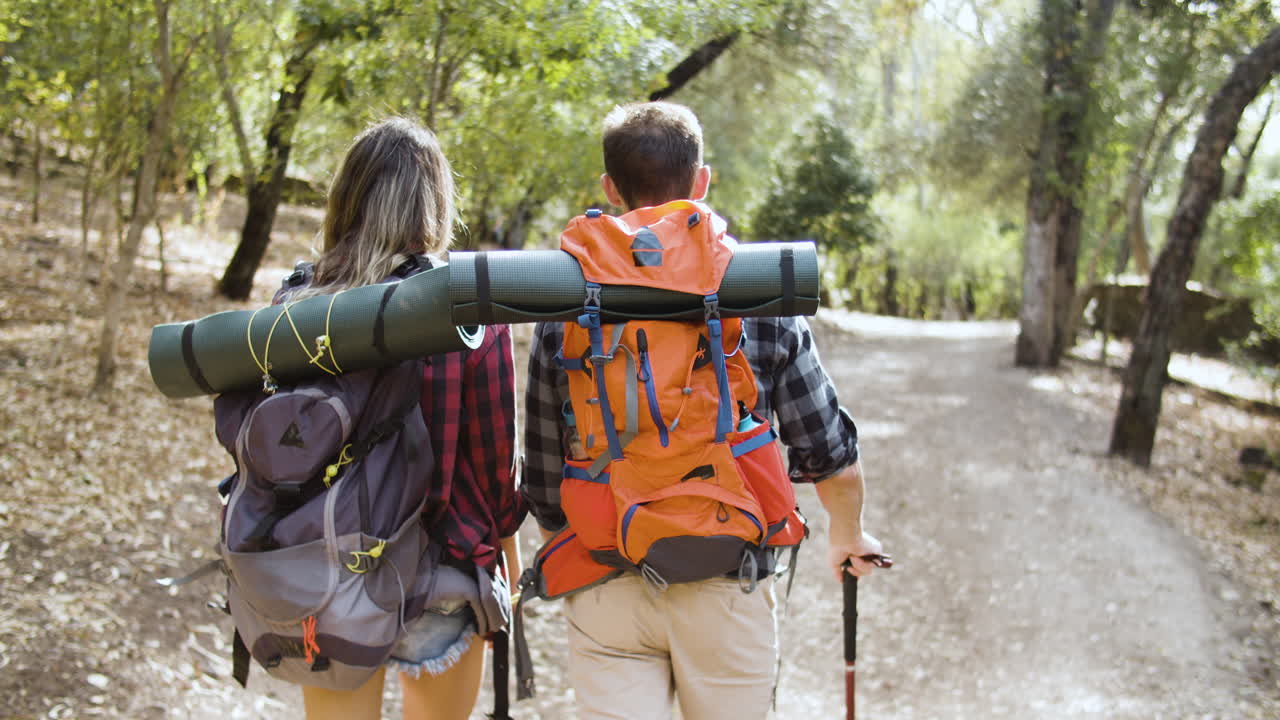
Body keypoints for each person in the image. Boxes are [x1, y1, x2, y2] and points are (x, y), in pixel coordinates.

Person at [521, 101, 882, 720]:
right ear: (702, 180)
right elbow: (830, 456)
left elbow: (547, 485)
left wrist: (605, 538)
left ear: (610, 189)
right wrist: (847, 536)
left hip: (609, 580)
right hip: (727, 583)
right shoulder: (757, 290)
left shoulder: (565, 307)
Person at [283, 117, 524, 720]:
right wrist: (508, 564)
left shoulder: (294, 304)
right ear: (436, 203)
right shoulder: (467, 312)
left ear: (347, 197)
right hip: (441, 571)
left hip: (325, 571)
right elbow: (495, 460)